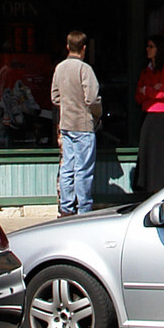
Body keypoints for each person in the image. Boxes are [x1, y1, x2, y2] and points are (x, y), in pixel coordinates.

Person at [50, 30, 102, 216]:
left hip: (66, 124)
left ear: (67, 46)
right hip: (83, 125)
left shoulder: (60, 68)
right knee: (83, 170)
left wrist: (67, 105)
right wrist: (97, 116)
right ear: (84, 48)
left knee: (67, 167)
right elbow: (93, 99)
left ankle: (66, 207)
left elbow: (55, 97)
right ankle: (84, 209)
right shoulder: (85, 69)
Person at [133, 37, 164, 198]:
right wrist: (150, 90)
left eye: (151, 46)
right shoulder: (146, 70)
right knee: (147, 154)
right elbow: (138, 95)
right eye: (147, 46)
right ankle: (149, 191)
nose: (148, 49)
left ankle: (161, 192)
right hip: (149, 115)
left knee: (160, 156)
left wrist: (147, 90)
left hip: (163, 116)